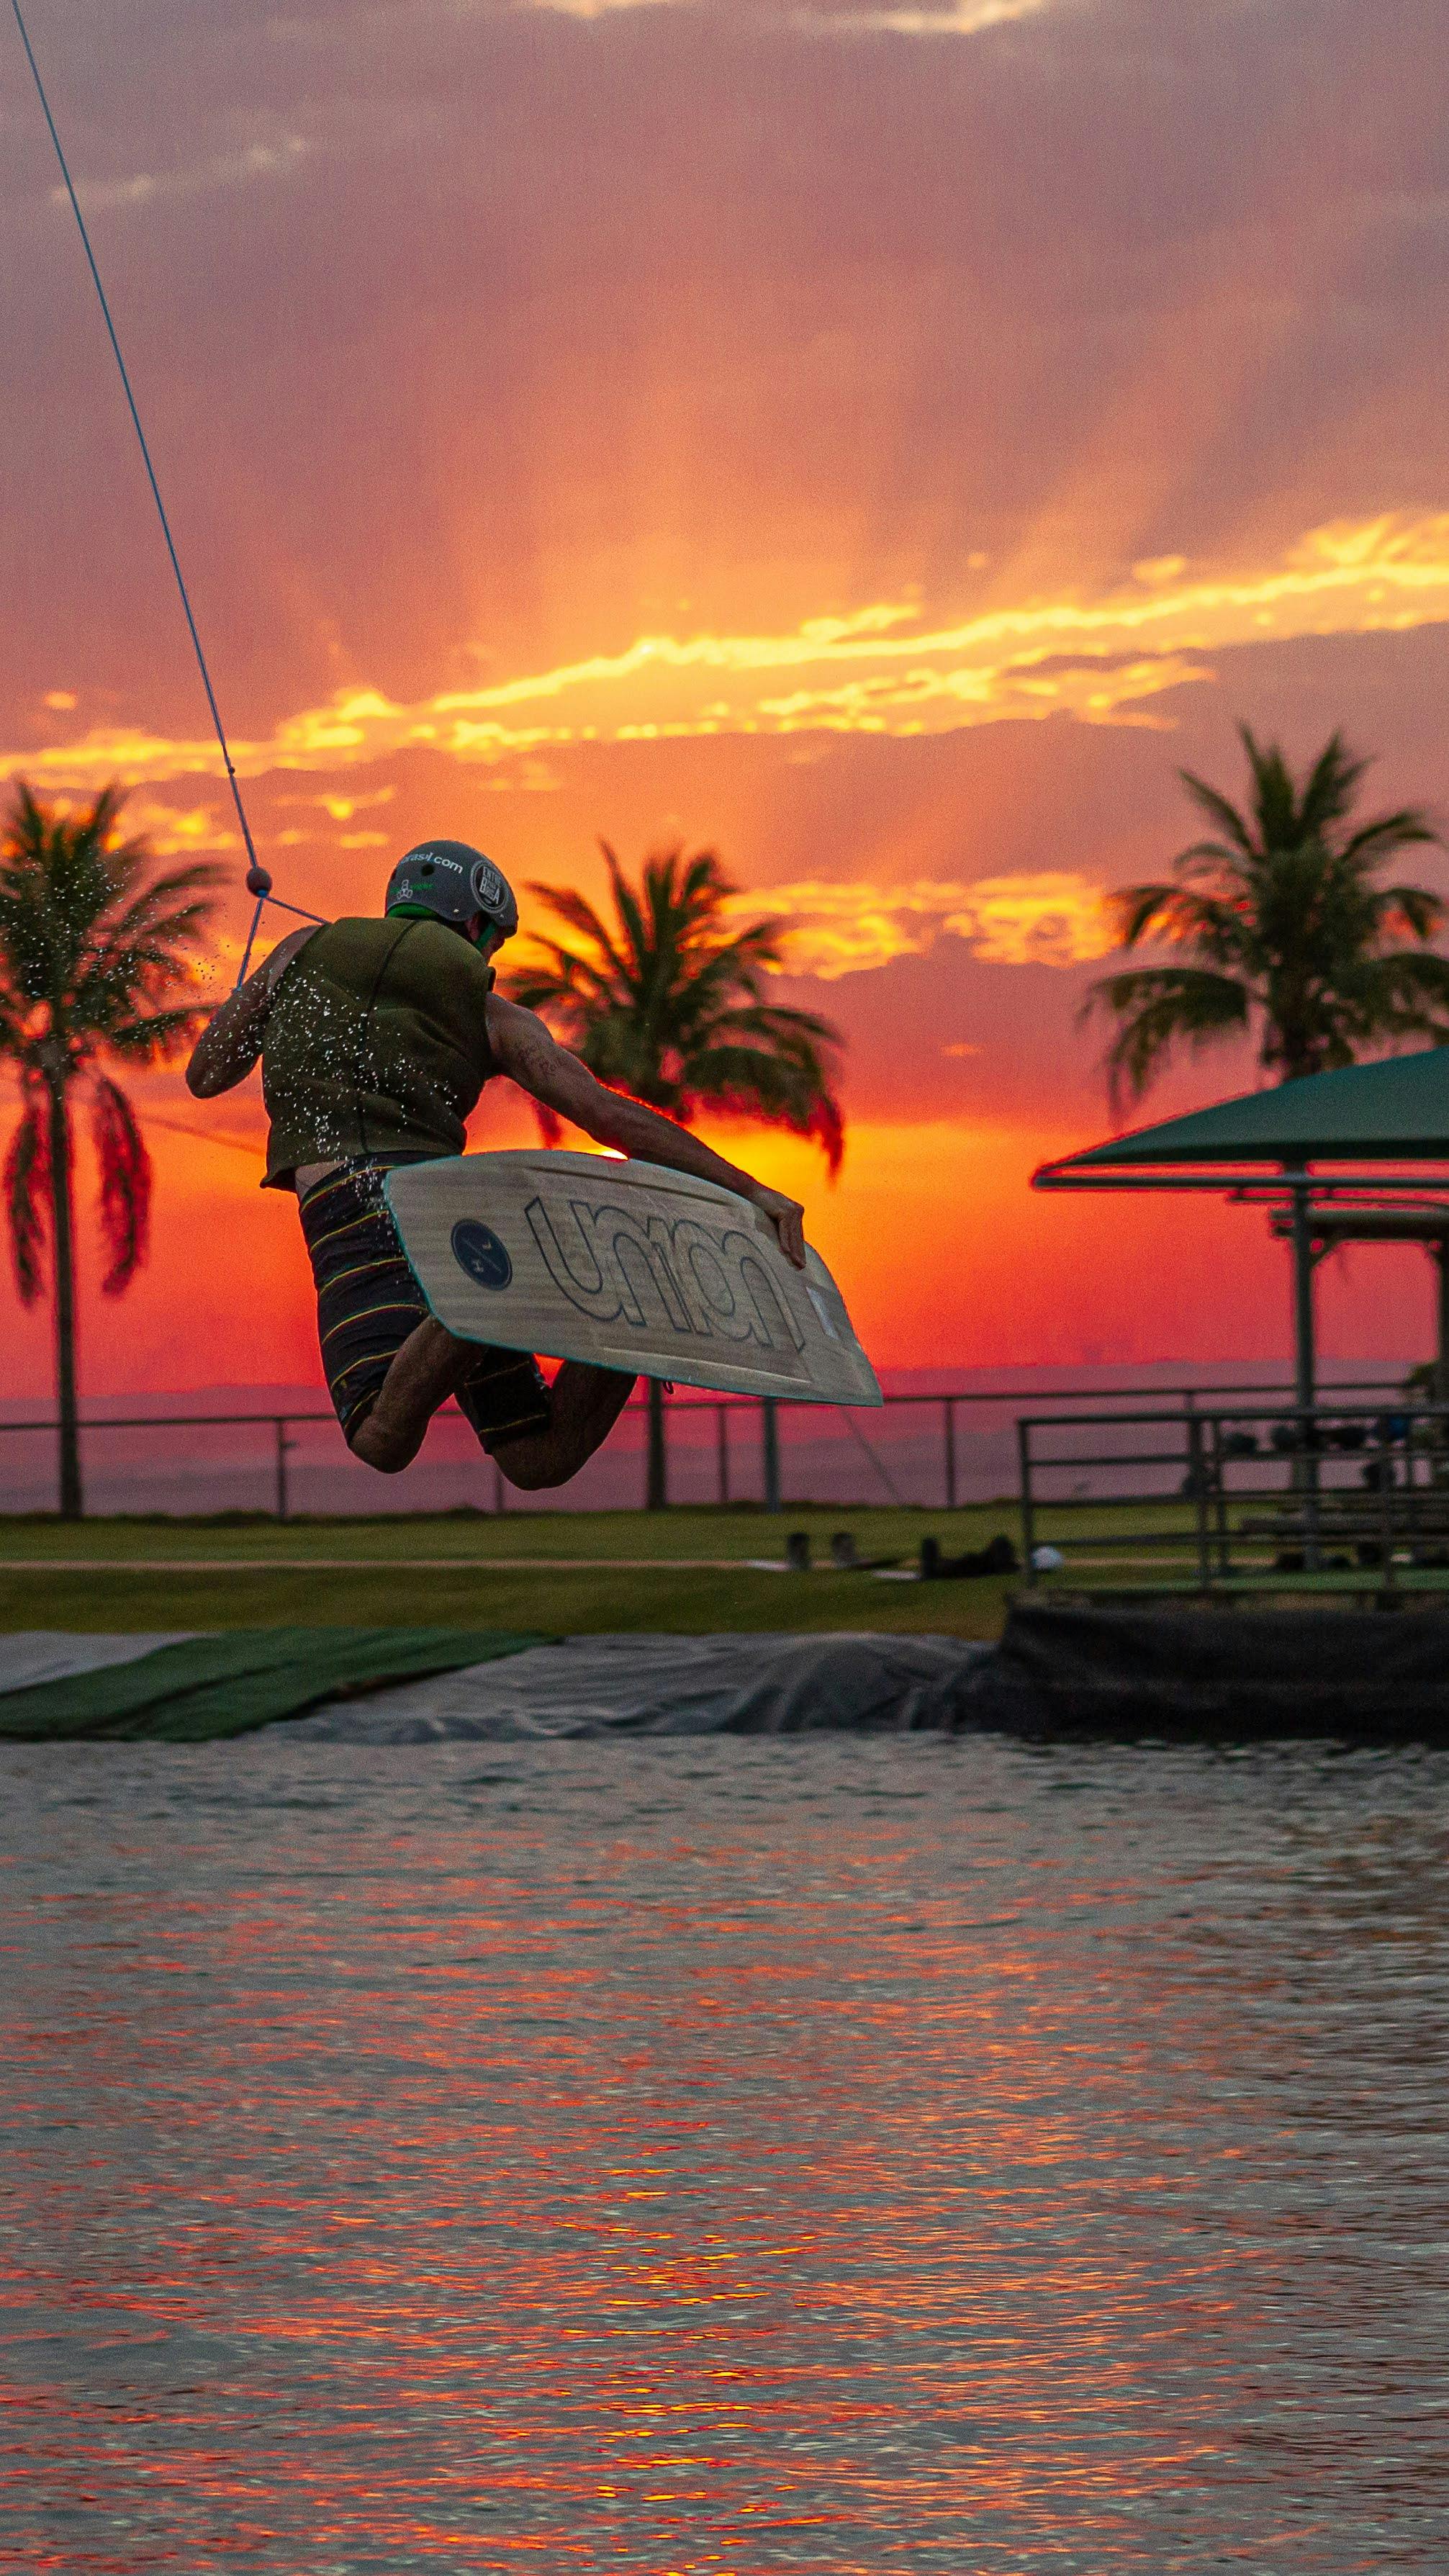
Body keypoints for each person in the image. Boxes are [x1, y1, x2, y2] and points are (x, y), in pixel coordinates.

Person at [186, 839, 807, 1490]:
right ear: (475, 923)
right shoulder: (490, 1015)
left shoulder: (298, 953)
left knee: (381, 1438)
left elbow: (206, 1074)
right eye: (493, 943)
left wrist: (255, 999)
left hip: (349, 1213)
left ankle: (478, 1303)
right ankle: (573, 1306)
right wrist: (747, 1188)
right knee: (538, 1458)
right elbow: (605, 1115)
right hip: (447, 1216)